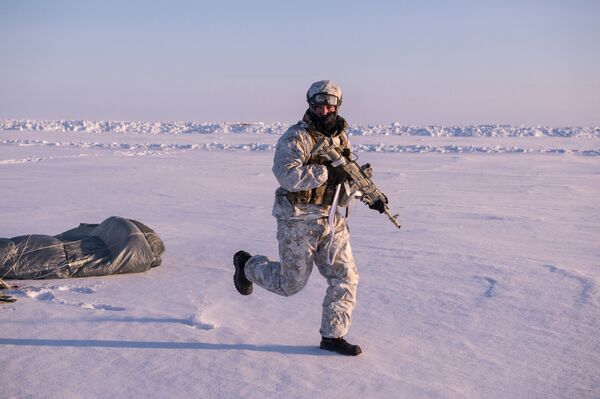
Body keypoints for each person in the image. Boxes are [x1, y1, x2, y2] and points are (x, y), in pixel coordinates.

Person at [233, 80, 385, 356]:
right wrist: (327, 173)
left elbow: (343, 178)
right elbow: (287, 175)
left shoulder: (341, 138)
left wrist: (366, 195)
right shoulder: (296, 138)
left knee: (346, 276)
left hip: (330, 216)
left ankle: (333, 336)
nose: (324, 110)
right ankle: (247, 266)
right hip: (297, 218)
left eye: (329, 105)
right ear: (310, 104)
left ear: (337, 105)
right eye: (318, 105)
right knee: (290, 284)